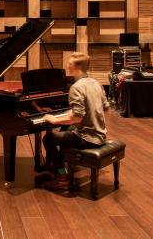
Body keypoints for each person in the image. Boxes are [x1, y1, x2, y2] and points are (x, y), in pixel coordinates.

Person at [41, 52, 109, 190]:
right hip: (100, 134)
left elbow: (77, 117)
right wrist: (74, 114)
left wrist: (54, 119)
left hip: (88, 137)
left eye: (70, 63)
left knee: (48, 139)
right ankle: (61, 164)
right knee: (66, 130)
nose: (67, 65)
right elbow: (105, 108)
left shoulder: (76, 87)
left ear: (77, 67)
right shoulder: (96, 83)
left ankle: (62, 177)